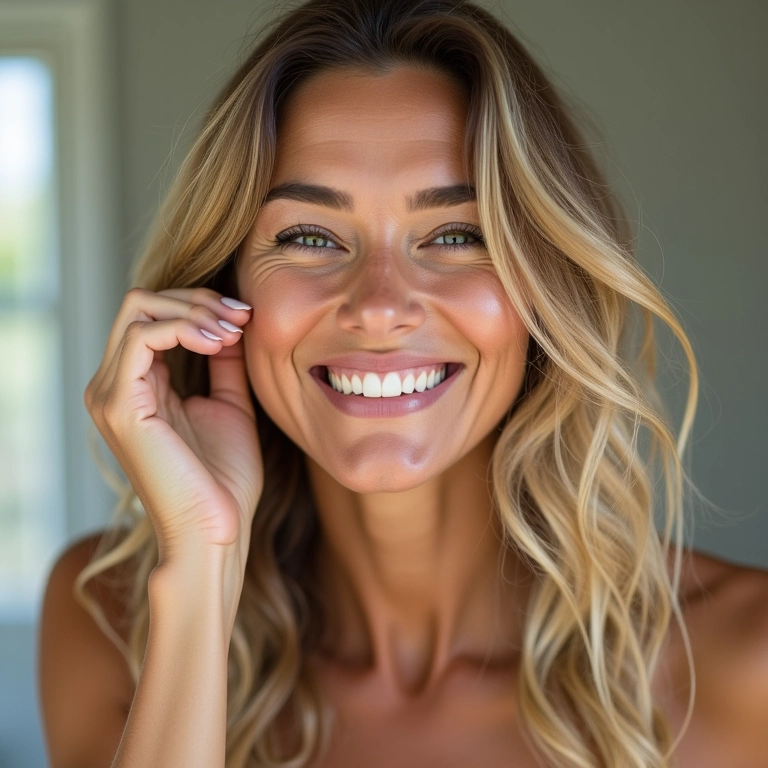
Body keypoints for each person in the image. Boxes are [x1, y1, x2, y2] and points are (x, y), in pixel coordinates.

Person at [37, 0, 768, 766]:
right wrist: (200, 574)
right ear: (224, 289)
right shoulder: (110, 624)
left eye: (456, 235)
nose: (379, 306)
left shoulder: (741, 661)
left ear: (544, 290)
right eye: (310, 237)